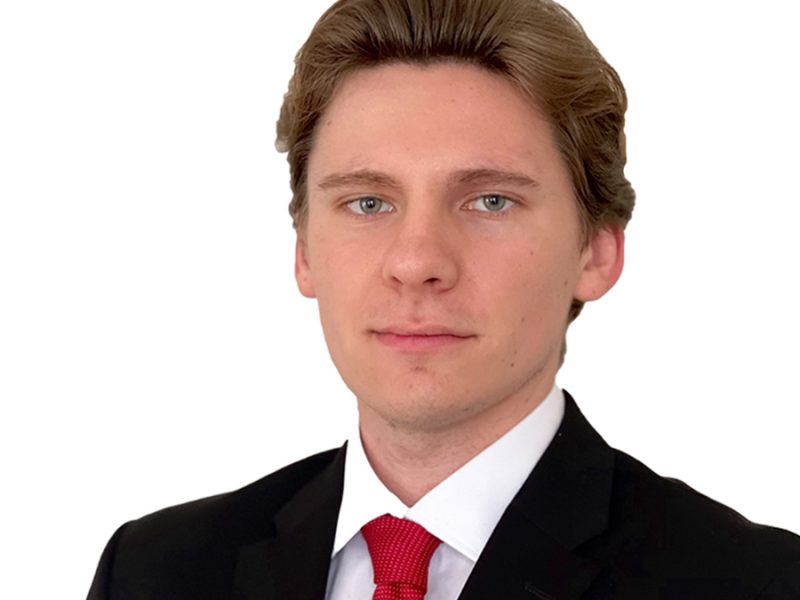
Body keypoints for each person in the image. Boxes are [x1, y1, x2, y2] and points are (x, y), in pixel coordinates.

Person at [87, 0, 800, 598]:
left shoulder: (756, 583)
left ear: (597, 251)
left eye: (490, 200)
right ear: (305, 252)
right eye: (368, 202)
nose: (416, 262)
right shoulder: (155, 572)